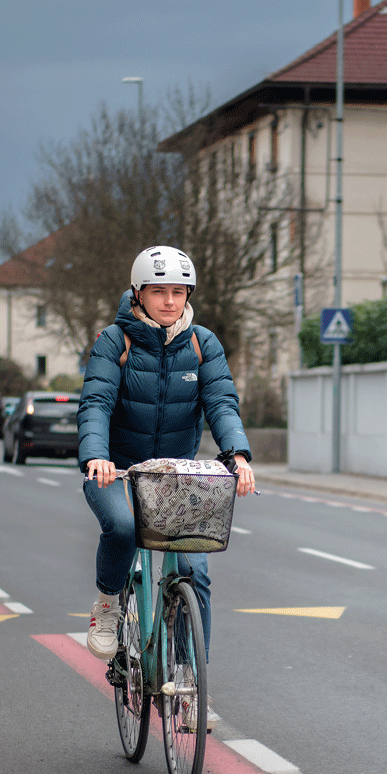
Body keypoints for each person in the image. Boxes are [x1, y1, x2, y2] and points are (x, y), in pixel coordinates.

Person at [77, 245, 255, 726]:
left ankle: (192, 684)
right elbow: (96, 401)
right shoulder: (115, 342)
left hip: (174, 476)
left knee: (194, 574)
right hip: (116, 470)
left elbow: (221, 402)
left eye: (179, 292)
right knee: (120, 524)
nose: (171, 301)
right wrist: (96, 455)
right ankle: (110, 605)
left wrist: (236, 453)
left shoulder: (202, 344)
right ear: (139, 293)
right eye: (160, 292)